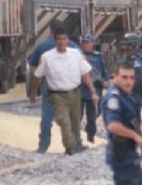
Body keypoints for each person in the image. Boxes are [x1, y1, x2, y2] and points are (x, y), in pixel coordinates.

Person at [30, 25, 98, 155]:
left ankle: (76, 142)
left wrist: (93, 91)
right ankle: (69, 147)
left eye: (64, 39)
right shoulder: (47, 57)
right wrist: (33, 93)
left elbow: (85, 74)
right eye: (59, 39)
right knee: (64, 121)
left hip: (75, 93)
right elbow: (38, 77)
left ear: (67, 40)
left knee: (75, 120)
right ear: (54, 41)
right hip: (57, 95)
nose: (61, 42)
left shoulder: (75, 54)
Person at [27, 21, 79, 154]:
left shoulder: (41, 46)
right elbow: (82, 65)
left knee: (46, 117)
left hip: (49, 86)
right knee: (72, 118)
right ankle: (75, 144)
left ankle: (43, 146)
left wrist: (35, 88)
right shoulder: (72, 46)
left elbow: (33, 68)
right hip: (70, 88)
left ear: (50, 31)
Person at [80, 32, 107, 144]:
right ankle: (77, 138)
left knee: (94, 115)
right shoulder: (79, 56)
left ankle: (91, 136)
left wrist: (106, 81)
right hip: (81, 90)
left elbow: (103, 72)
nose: (85, 44)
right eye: (83, 42)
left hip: (95, 90)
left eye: (88, 42)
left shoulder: (98, 56)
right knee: (77, 116)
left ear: (93, 43)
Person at [118, 32, 142, 115]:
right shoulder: (127, 59)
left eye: (127, 46)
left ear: (133, 46)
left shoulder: (136, 61)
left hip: (134, 97)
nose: (124, 48)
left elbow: (140, 79)